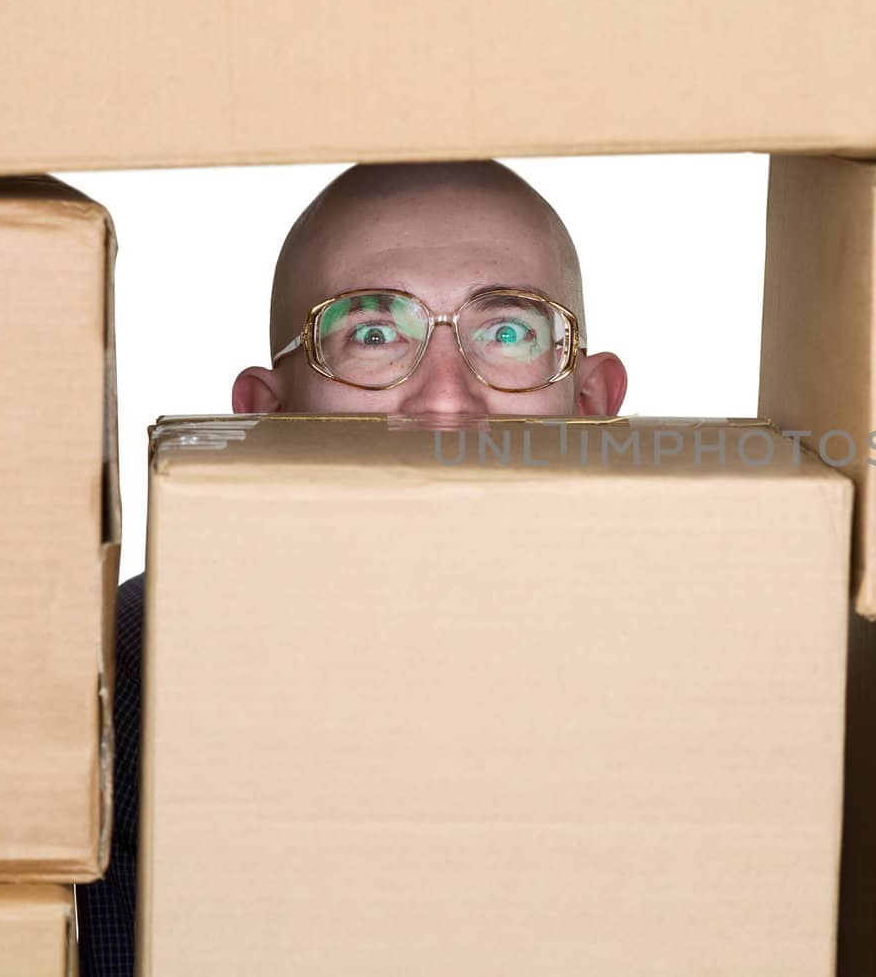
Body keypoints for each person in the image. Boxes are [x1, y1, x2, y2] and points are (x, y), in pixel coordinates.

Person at [77, 161, 628, 975]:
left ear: (590, 402)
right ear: (265, 414)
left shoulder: (707, 665)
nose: (446, 398)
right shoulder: (124, 675)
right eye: (373, 334)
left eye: (508, 331)